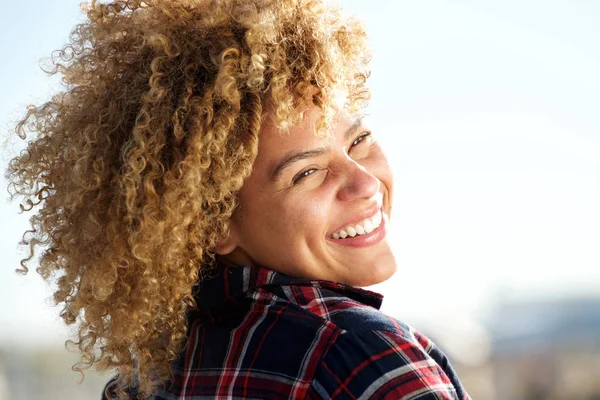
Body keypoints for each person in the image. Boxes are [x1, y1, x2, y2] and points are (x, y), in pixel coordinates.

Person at [5, 0, 471, 398]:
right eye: (306, 172)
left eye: (359, 140)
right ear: (212, 222)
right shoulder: (358, 357)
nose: (365, 183)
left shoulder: (145, 381)